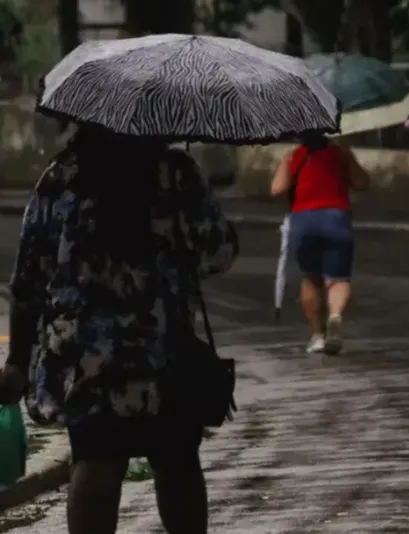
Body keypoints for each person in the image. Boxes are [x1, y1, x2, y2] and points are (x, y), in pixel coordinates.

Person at [0, 126, 238, 534]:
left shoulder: (62, 177)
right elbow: (218, 252)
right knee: (177, 460)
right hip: (165, 348)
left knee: (95, 461)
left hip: (89, 357)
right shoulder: (176, 173)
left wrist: (18, 361)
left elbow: (28, 278)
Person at [270, 133, 369, 354]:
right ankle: (335, 316)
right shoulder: (341, 154)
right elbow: (363, 183)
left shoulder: (293, 156)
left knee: (311, 279)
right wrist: (347, 159)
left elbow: (277, 189)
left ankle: (317, 335)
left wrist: (289, 167)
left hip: (303, 220)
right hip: (337, 219)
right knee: (338, 279)